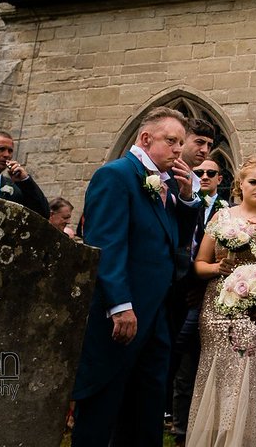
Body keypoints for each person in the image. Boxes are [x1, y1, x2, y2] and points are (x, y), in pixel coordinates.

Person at [71, 107, 202, 447]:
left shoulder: (169, 183)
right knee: (103, 404)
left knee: (147, 406)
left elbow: (173, 242)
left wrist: (187, 201)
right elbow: (106, 245)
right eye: (171, 141)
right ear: (146, 139)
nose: (178, 150)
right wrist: (120, 305)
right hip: (123, 312)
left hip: (157, 311)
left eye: (181, 143)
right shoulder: (115, 175)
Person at [187, 156, 256, 447]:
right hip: (218, 308)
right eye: (253, 182)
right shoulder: (222, 216)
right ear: (240, 185)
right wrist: (216, 269)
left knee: (250, 373)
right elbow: (199, 263)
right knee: (217, 371)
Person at [172, 156, 225, 445]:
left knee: (204, 361)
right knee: (183, 363)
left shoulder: (226, 210)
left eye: (210, 172)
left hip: (215, 296)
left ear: (220, 179)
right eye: (199, 172)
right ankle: (180, 428)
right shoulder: (183, 202)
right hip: (185, 294)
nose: (204, 176)